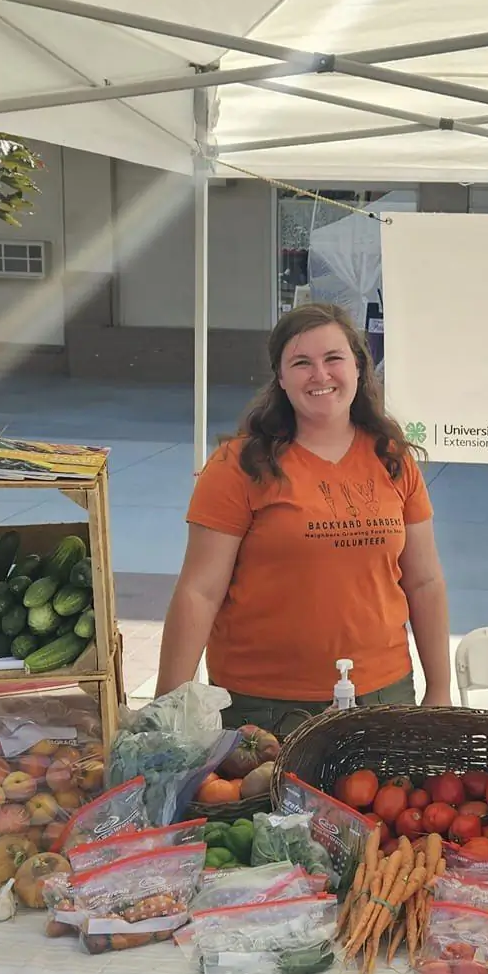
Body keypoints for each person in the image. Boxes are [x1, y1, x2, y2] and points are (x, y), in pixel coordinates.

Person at [156, 303, 450, 735]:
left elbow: (424, 583)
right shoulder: (239, 465)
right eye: (301, 363)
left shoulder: (393, 461)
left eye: (333, 358)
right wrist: (168, 707)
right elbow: (199, 592)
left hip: (382, 696)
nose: (320, 375)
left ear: (358, 366)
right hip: (260, 709)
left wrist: (439, 689)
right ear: (280, 377)